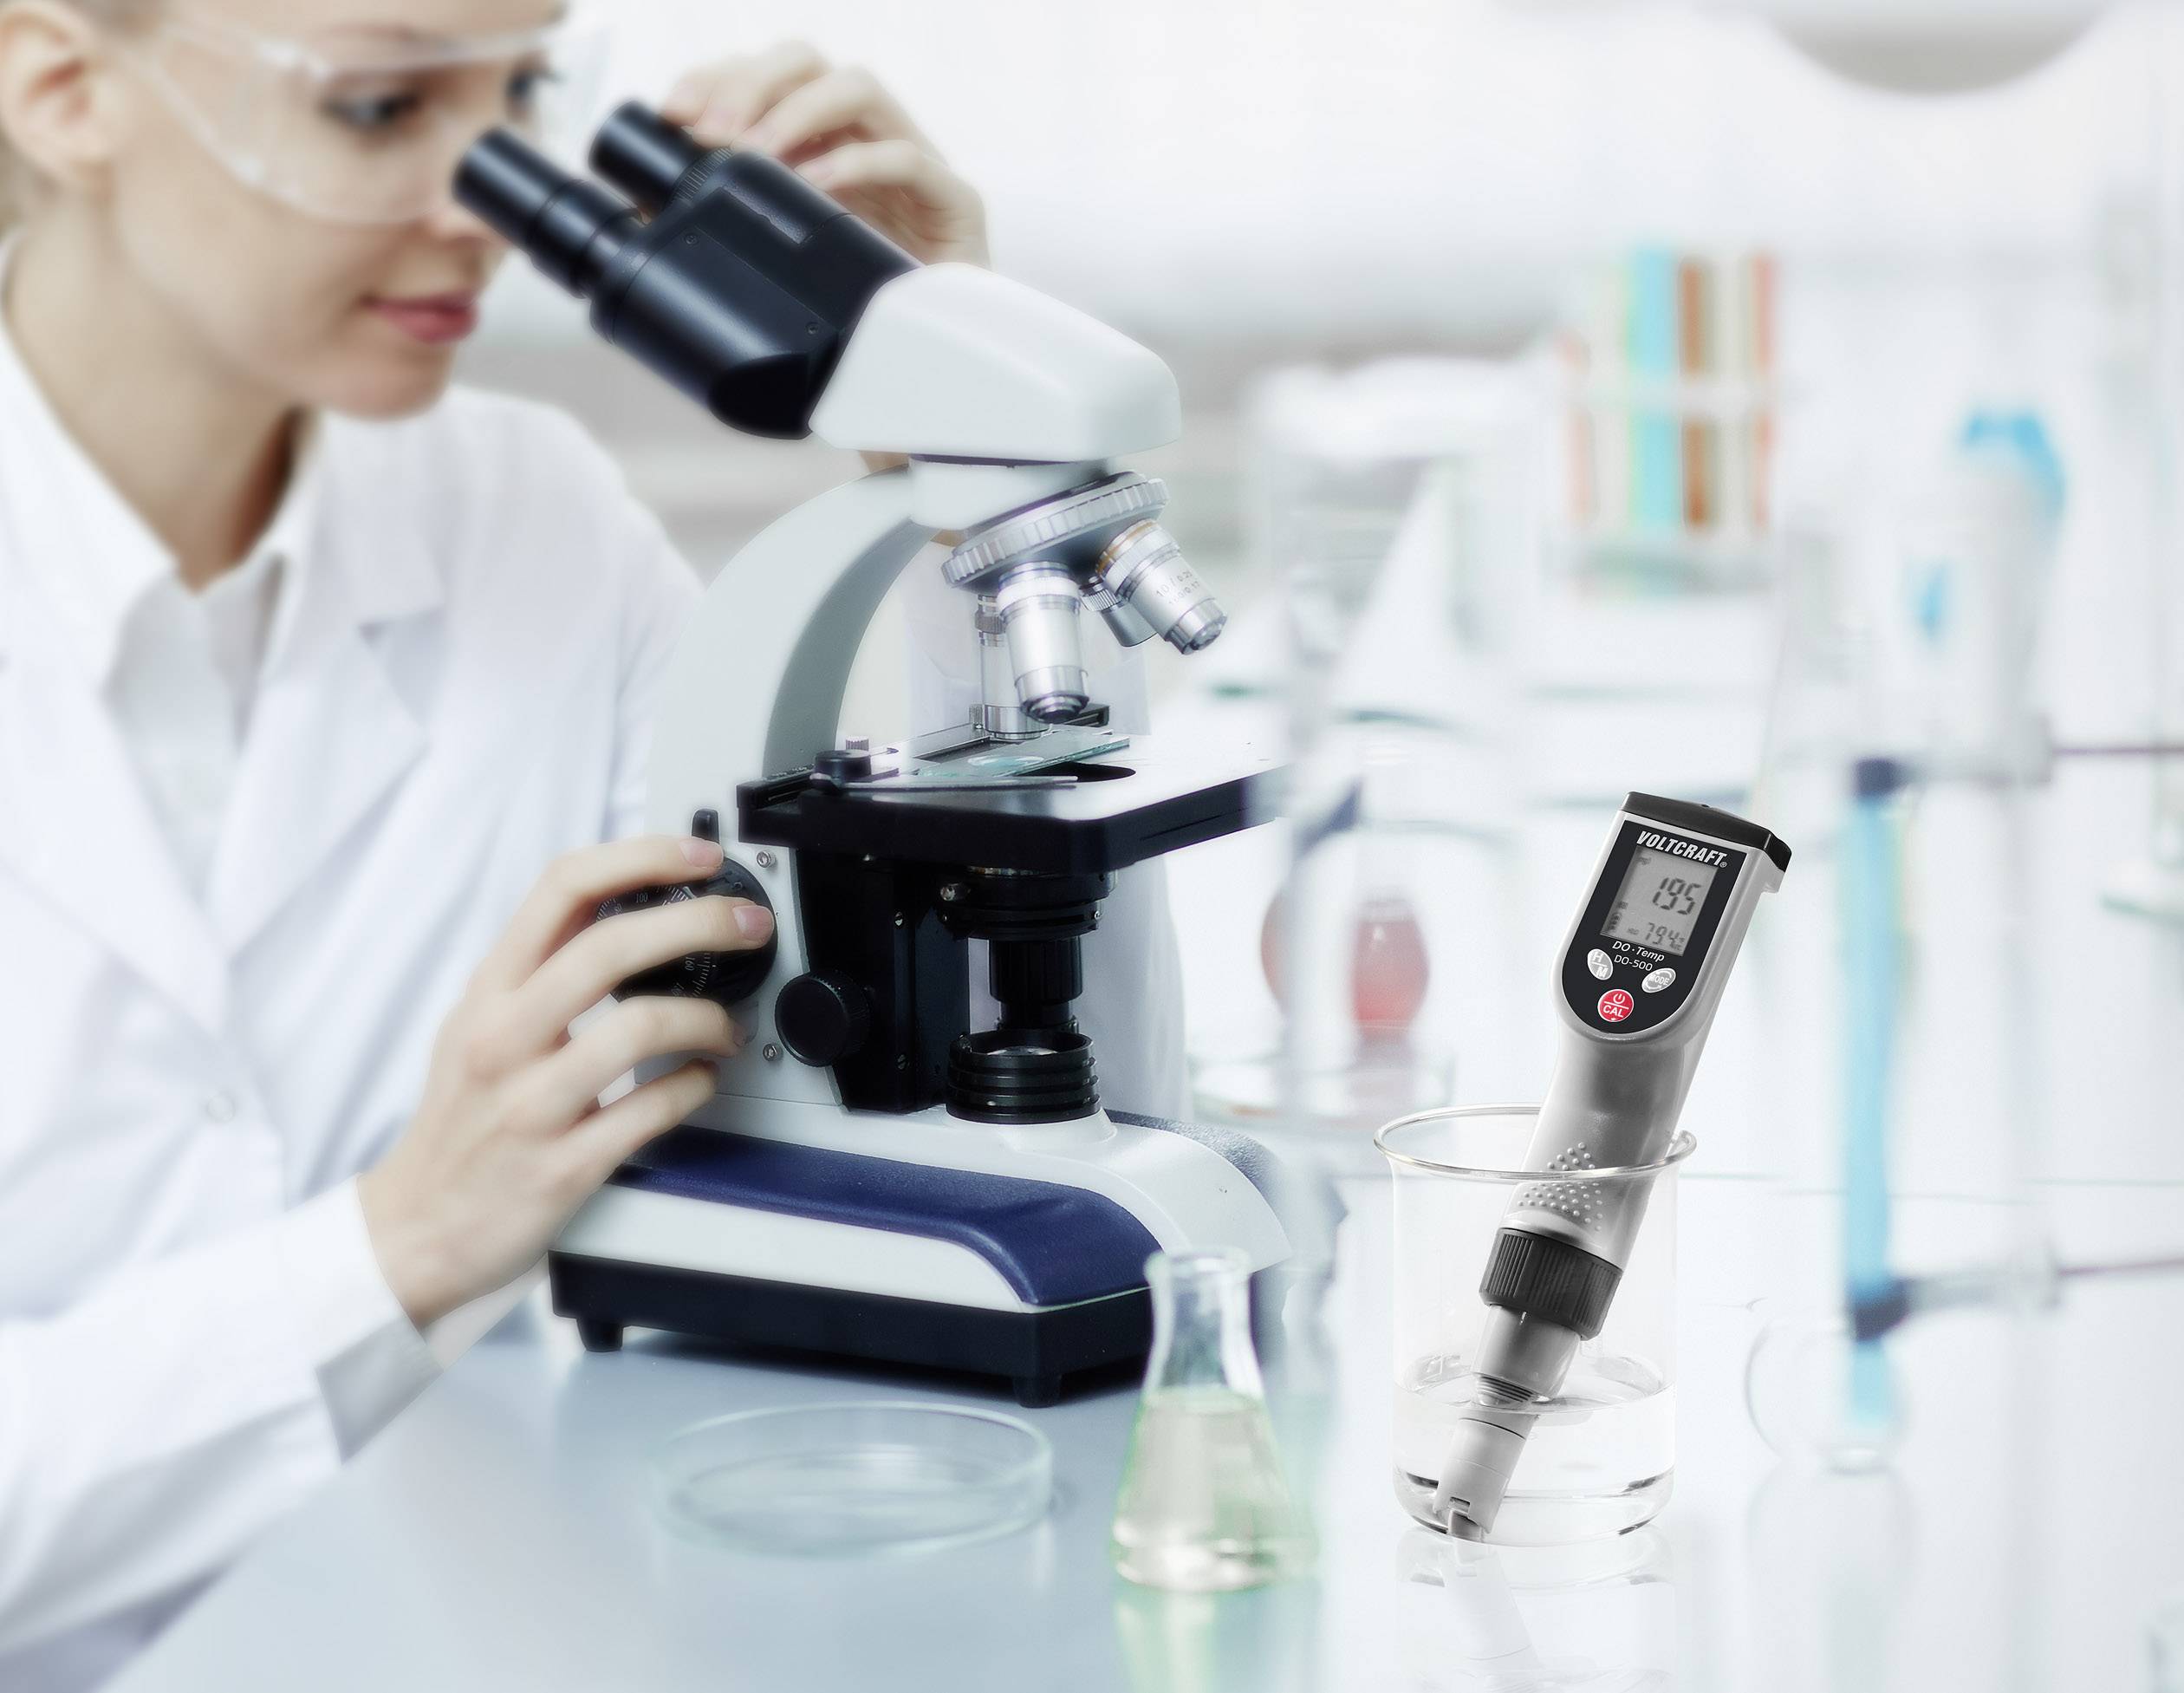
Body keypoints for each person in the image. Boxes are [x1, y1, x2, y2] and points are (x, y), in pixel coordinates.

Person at [0, 5, 1184, 1687]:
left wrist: (951, 426)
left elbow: (1030, 1030)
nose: (489, 201)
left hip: (501, 1597)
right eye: (383, 103)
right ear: (62, 89)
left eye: (519, 96)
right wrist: (396, 1242)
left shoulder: (531, 522)